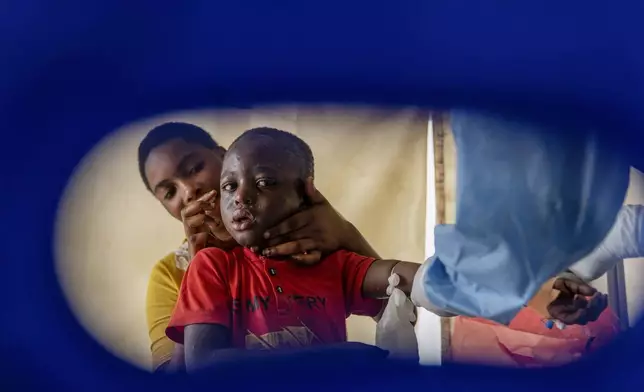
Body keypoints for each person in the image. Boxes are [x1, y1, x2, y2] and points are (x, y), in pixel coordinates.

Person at [165, 127, 607, 373]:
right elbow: (206, 368)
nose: (238, 197)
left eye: (262, 183)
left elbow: (429, 282)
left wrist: (538, 291)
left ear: (305, 193)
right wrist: (338, 359)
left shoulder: (335, 265)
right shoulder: (212, 268)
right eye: (229, 186)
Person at [139, 122, 380, 372]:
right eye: (169, 192)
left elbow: (397, 308)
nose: (189, 191)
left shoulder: (305, 238)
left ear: (224, 156)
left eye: (194, 168)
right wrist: (195, 275)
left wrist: (345, 232)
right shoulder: (169, 274)